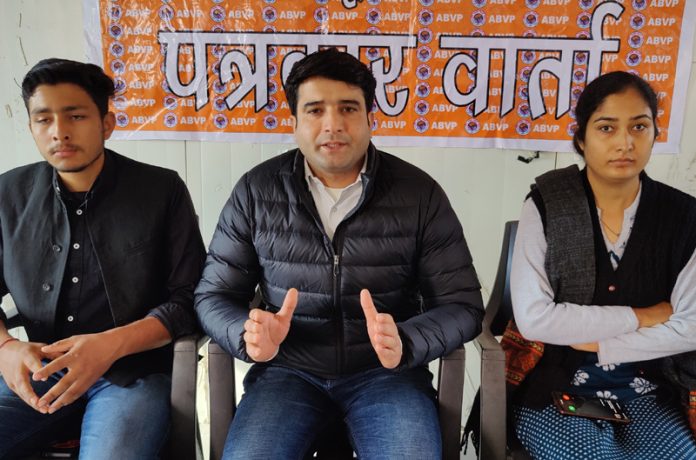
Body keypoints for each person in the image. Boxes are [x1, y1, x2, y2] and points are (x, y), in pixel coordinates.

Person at [195, 47, 483, 459]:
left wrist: (406, 339)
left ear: (371, 118)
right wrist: (248, 334)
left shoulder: (419, 194)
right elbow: (212, 296)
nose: (332, 125)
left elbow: (463, 304)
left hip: (387, 377)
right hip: (289, 373)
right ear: (294, 122)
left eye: (348, 108)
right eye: (315, 110)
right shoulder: (256, 192)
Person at [0, 58, 206, 459]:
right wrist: (5, 347)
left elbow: (189, 299)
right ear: (30, 128)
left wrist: (108, 346)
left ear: (106, 124)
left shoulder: (161, 189)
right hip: (41, 369)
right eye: (43, 120)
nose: (59, 132)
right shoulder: (9, 193)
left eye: (75, 116)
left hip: (133, 376)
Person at [508, 71, 696, 459]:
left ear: (655, 134)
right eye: (607, 128)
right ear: (581, 138)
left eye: (639, 127)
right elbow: (534, 320)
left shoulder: (683, 216)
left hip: (651, 389)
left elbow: (690, 326)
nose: (625, 143)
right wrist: (643, 316)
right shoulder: (547, 204)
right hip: (557, 386)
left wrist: (600, 341)